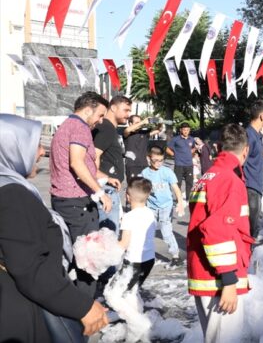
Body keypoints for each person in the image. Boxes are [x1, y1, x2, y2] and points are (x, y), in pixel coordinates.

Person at [0, 114, 109, 342]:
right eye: (35, 145)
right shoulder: (12, 194)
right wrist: (83, 306)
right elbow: (31, 268)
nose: (42, 152)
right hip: (20, 314)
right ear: (11, 148)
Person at [188, 124, 254, 342]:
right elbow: (218, 231)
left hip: (206, 271)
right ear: (246, 150)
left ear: (218, 147)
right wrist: (228, 280)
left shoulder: (208, 176)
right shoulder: (229, 180)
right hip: (218, 279)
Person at [50, 91, 113, 298]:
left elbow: (81, 164)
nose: (100, 120)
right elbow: (76, 162)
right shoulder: (80, 127)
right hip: (77, 203)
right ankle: (85, 311)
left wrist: (103, 177)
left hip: (65, 200)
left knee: (72, 257)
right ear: (88, 109)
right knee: (88, 260)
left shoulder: (67, 125)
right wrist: (100, 192)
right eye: (100, 115)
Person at [140, 146, 185, 266]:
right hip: (151, 206)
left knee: (166, 230)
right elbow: (141, 190)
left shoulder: (166, 171)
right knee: (148, 230)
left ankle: (175, 256)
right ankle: (148, 255)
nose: (159, 163)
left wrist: (180, 202)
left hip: (166, 205)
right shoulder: (145, 173)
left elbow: (175, 188)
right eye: (155, 160)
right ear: (148, 158)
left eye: (161, 160)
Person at [93, 95, 131, 234]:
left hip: (109, 188)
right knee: (108, 239)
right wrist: (104, 178)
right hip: (106, 188)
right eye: (126, 110)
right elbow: (93, 156)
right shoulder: (107, 128)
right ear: (113, 107)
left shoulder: (108, 128)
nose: (129, 114)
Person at [117, 177, 157, 291]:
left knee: (119, 292)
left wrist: (107, 245)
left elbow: (123, 244)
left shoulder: (128, 217)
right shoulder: (150, 213)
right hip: (149, 259)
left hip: (133, 262)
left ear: (127, 196)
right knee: (133, 290)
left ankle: (129, 308)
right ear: (147, 196)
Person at [243, 101, 263, 241]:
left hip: (256, 185)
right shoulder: (248, 135)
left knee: (254, 225)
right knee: (250, 226)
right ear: (261, 116)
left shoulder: (257, 135)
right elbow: (240, 161)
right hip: (249, 186)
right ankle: (247, 258)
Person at [123, 115, 161, 180]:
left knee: (145, 188)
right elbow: (127, 130)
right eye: (136, 123)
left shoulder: (144, 133)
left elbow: (158, 130)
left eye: (140, 122)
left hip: (144, 165)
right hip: (132, 165)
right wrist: (143, 122)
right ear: (130, 124)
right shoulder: (127, 133)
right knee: (133, 188)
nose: (139, 125)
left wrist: (160, 122)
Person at [167, 122, 195, 201]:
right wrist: (174, 155)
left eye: (187, 130)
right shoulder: (176, 139)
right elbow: (167, 149)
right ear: (181, 130)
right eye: (184, 130)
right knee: (178, 183)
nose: (186, 131)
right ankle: (178, 199)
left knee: (189, 182)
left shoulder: (191, 139)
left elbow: (193, 148)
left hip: (189, 164)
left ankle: (188, 199)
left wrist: (191, 153)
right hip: (179, 164)